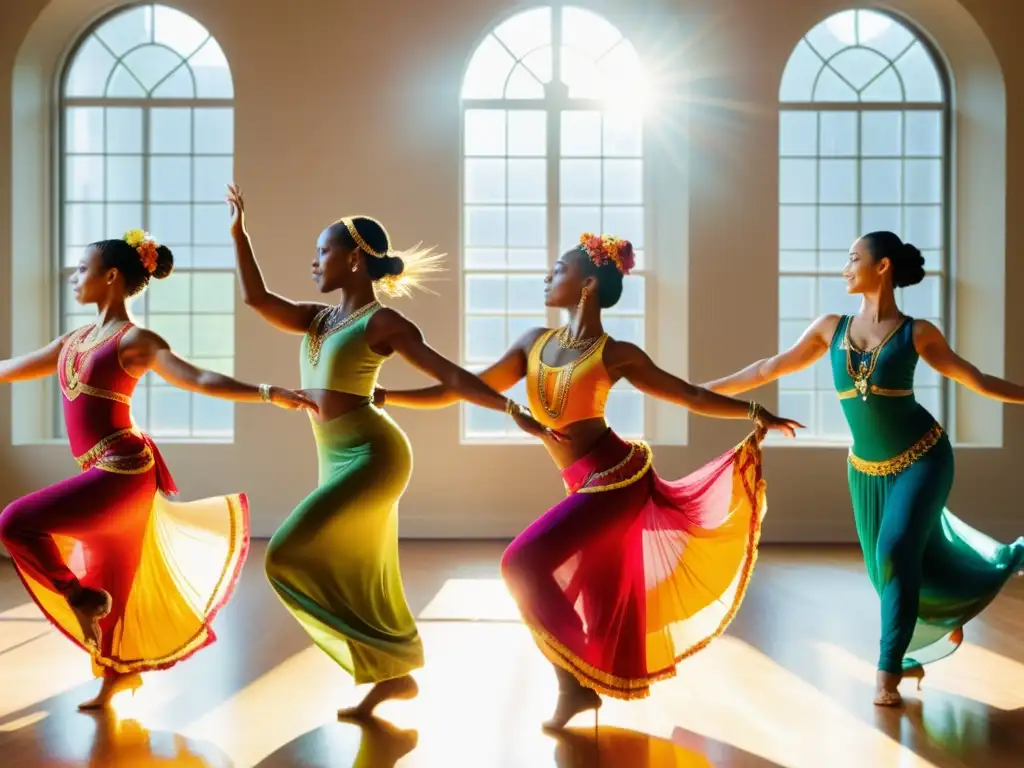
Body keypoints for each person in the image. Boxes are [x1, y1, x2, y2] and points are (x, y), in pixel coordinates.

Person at [378, 232, 803, 728]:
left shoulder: (616, 354)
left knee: (522, 562)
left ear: (585, 284)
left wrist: (755, 411)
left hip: (616, 480)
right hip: (580, 483)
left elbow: (688, 395)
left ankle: (573, 681)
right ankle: (580, 687)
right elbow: (460, 389)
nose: (545, 276)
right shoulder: (532, 343)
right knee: (601, 606)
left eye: (556, 269)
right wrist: (387, 397)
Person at [225, 183, 558, 719]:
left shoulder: (383, 323)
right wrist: (239, 234)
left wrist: (509, 409)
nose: (314, 262)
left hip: (374, 456)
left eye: (324, 252)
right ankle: (392, 677)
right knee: (353, 567)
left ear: (354, 259)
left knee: (285, 554)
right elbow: (256, 300)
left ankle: (390, 661)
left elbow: (450, 376)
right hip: (334, 456)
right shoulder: (317, 318)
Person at [702, 230, 1024, 706]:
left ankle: (886, 674)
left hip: (924, 458)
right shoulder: (829, 328)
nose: (845, 267)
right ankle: (948, 608)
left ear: (883, 266)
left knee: (895, 550)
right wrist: (698, 392)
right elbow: (768, 367)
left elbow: (974, 379)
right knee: (887, 569)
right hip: (866, 470)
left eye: (854, 258)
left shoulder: (918, 333)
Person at [0, 230, 317, 710]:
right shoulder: (74, 341)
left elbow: (200, 378)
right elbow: (10, 367)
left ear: (111, 277)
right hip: (104, 474)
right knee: (113, 584)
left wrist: (268, 392)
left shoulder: (136, 341)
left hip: (122, 475)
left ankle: (80, 599)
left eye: (82, 269)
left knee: (15, 522)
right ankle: (117, 677)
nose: (74, 276)